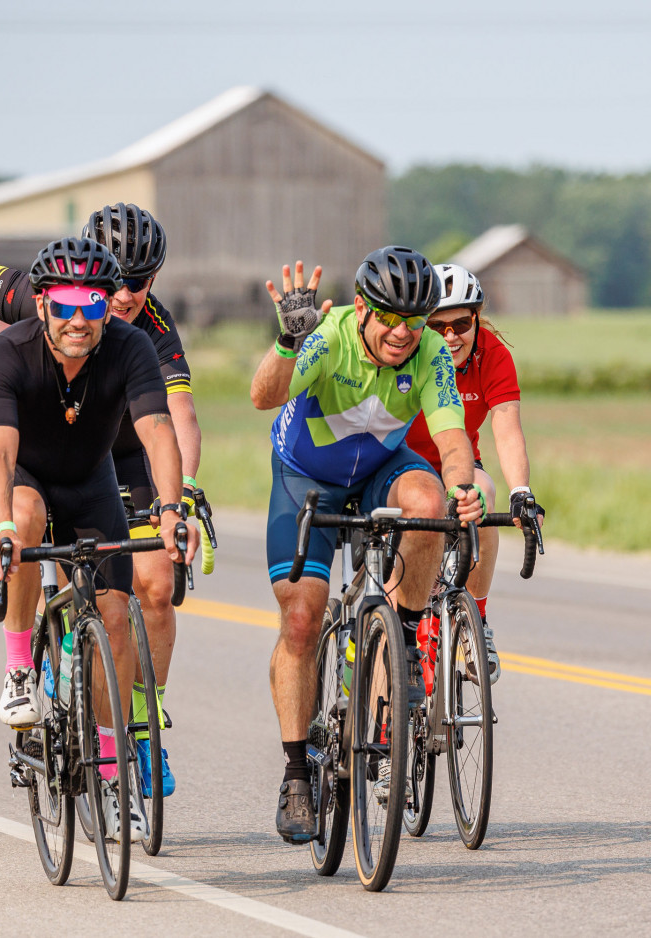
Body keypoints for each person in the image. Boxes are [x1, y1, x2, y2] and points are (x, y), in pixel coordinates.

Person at [0, 203, 199, 798]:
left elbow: (174, 420)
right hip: (35, 449)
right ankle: (25, 660)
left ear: (150, 282)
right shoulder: (41, 296)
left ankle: (137, 731)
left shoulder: (149, 334)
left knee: (156, 582)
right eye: (111, 280)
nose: (114, 301)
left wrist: (180, 501)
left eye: (134, 285)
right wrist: (5, 369)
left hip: (113, 447)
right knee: (31, 521)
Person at [250, 246, 486, 844]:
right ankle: (298, 772)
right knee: (302, 620)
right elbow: (262, 395)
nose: (404, 335)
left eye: (415, 323)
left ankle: (403, 637)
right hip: (307, 477)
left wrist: (463, 488)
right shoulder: (329, 338)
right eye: (390, 320)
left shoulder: (429, 351)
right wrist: (287, 342)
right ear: (363, 309)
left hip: (380, 467)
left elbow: (452, 435)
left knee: (430, 504)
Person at [405, 264, 545, 684]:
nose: (451, 337)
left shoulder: (492, 354)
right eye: (439, 326)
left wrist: (522, 490)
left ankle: (477, 622)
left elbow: (506, 428)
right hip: (402, 464)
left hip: (459, 464)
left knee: (480, 499)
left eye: (462, 324)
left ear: (477, 319)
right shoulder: (408, 352)